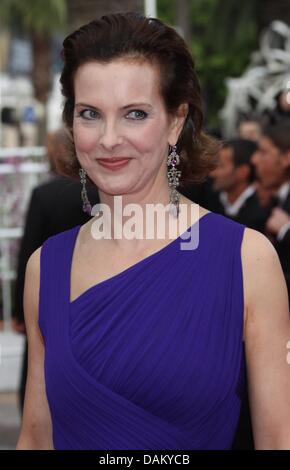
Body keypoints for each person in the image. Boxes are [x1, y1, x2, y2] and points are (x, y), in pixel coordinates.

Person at [17, 12, 290, 450]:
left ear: (175, 121)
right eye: (90, 113)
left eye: (135, 114)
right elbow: (35, 435)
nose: (108, 139)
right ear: (71, 123)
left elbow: (279, 439)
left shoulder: (246, 260)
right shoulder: (45, 267)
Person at [12, 129, 100, 411]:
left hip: (51, 293)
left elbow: (28, 252)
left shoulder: (44, 195)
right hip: (96, 290)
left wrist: (18, 310)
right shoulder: (103, 193)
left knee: (39, 372)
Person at [251, 122, 290, 306]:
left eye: (263, 152)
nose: (255, 160)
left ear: (286, 158)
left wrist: (286, 230)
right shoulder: (276, 199)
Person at [210, 139, 271, 232]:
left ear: (242, 171)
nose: (213, 173)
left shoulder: (263, 210)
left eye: (221, 166)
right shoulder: (210, 200)